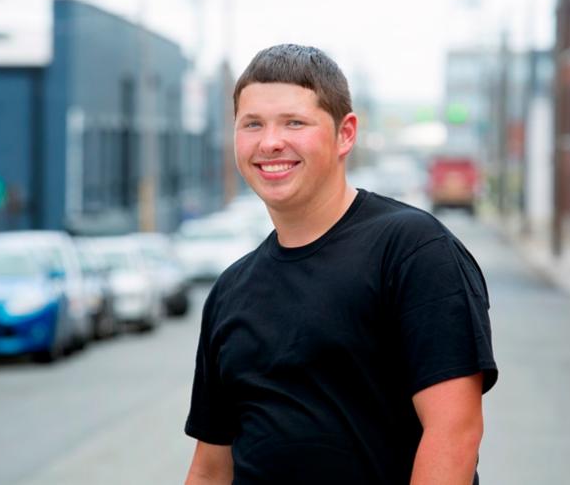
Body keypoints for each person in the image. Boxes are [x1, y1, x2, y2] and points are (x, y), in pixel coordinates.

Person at [185, 44, 497, 484]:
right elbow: (210, 470)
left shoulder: (413, 250)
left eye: (294, 122)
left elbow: (454, 432)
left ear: (345, 134)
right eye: (252, 124)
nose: (270, 142)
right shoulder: (229, 291)